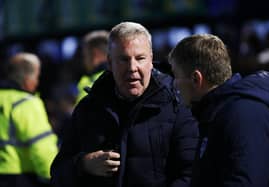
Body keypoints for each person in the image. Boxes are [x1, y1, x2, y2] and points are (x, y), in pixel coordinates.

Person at [50, 21, 199, 187]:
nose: (132, 67)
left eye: (140, 58)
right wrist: (83, 164)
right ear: (110, 63)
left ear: (151, 60)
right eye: (123, 59)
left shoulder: (176, 105)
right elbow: (58, 173)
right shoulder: (89, 107)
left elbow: (191, 174)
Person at [168, 33, 269, 187]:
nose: (174, 84)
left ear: (196, 79)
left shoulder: (243, 115)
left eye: (176, 75)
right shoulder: (217, 113)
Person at [0, 52, 59, 187]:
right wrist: (54, 177)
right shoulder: (26, 103)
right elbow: (41, 146)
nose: (37, 82)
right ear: (28, 78)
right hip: (20, 179)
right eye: (37, 77)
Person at [76, 30, 109, 103]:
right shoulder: (116, 79)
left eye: (85, 56)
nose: (84, 61)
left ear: (95, 53)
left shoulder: (97, 84)